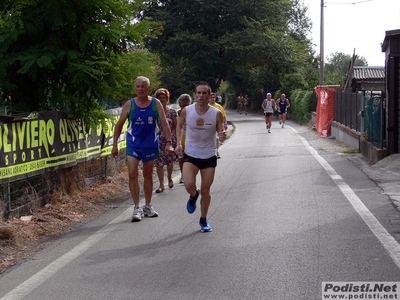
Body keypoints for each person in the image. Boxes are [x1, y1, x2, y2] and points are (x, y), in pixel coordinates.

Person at [112, 76, 174, 222]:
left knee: (147, 174)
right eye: (138, 86)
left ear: (148, 88)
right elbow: (120, 124)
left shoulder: (155, 103)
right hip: (134, 143)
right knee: (132, 174)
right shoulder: (130, 104)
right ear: (135, 88)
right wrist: (115, 144)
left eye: (143, 86)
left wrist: (169, 142)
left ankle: (148, 205)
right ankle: (136, 207)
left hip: (150, 144)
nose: (140, 89)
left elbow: (164, 124)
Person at [175, 82, 226, 232]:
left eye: (205, 93)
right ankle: (193, 194)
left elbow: (221, 131)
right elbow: (179, 126)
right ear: (195, 95)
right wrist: (178, 143)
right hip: (191, 154)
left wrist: (222, 136)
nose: (201, 96)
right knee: (189, 185)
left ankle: (203, 220)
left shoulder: (216, 113)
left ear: (210, 96)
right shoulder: (187, 111)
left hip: (209, 155)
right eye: (199, 93)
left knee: (206, 190)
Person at [154, 88, 178, 193]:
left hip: (170, 140)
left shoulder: (172, 112)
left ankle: (169, 177)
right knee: (159, 163)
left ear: (167, 99)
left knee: (170, 162)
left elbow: (176, 126)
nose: (162, 100)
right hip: (158, 140)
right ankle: (161, 184)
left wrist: (177, 141)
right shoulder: (154, 112)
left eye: (164, 98)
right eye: (160, 98)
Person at [176, 93, 192, 184]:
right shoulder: (176, 113)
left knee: (189, 158)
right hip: (180, 137)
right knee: (181, 158)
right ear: (180, 103)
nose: (185, 103)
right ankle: (183, 175)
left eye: (187, 102)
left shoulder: (192, 113)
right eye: (184, 102)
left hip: (190, 138)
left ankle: (188, 175)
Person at [209, 92, 228, 159]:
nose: (212, 98)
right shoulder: (206, 106)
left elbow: (224, 116)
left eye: (214, 97)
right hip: (209, 126)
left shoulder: (219, 106)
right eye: (211, 97)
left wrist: (225, 123)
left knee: (217, 138)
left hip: (217, 125)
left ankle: (216, 151)